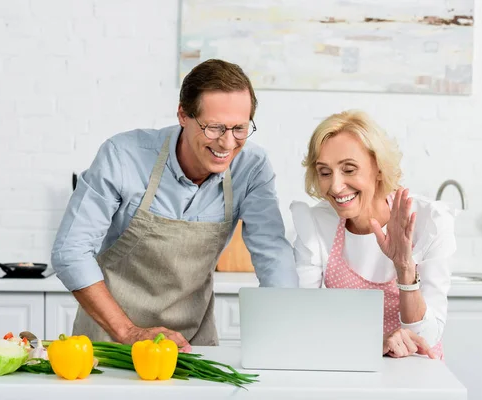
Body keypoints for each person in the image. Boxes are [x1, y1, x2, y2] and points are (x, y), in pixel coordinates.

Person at [51, 59, 298, 351]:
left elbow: (272, 253)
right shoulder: (123, 156)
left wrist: (288, 333)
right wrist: (129, 332)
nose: (227, 143)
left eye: (239, 129)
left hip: (192, 344)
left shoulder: (252, 167)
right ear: (183, 114)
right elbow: (70, 252)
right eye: (214, 128)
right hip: (111, 340)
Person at [290, 110, 456, 360]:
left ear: (378, 168)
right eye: (325, 172)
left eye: (349, 169)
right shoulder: (318, 224)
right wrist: (371, 344)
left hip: (418, 369)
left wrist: (404, 268)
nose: (335, 186)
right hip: (348, 362)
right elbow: (302, 321)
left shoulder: (428, 222)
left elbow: (428, 336)